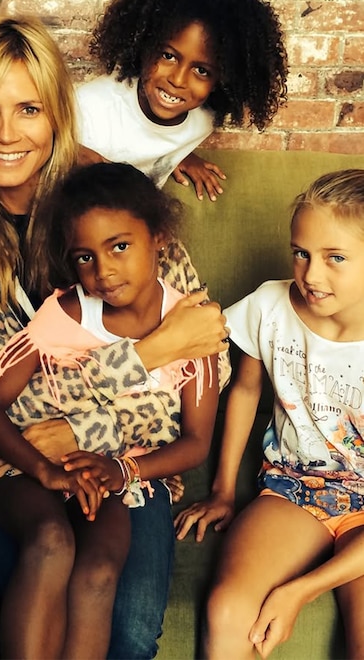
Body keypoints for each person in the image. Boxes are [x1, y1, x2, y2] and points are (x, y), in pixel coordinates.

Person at [0, 15, 229, 658]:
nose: (7, 134)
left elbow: (201, 370)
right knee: (48, 589)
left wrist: (79, 428)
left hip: (126, 469)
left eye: (28, 109)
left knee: (127, 637)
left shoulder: (118, 210)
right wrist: (149, 353)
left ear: (58, 114)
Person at [0, 162, 220, 658]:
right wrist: (44, 470)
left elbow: (196, 443)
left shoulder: (194, 327)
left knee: (99, 574)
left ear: (160, 238)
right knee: (51, 543)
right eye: (85, 257)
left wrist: (121, 470)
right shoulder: (68, 313)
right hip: (30, 466)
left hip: (110, 477)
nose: (103, 271)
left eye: (119, 246)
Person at [174, 169, 364, 658]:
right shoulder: (270, 305)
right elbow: (245, 391)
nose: (311, 275)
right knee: (228, 611)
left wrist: (299, 591)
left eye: (335, 257)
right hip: (295, 487)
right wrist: (223, 489)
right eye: (301, 253)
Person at [76, 0, 288, 200]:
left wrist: (179, 156)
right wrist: (71, 152)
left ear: (222, 80)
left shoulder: (202, 120)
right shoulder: (89, 108)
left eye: (201, 71)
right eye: (168, 56)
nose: (177, 80)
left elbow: (155, 140)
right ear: (144, 46)